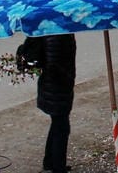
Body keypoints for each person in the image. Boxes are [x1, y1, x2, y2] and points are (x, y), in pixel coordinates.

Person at [37, 34, 77, 173]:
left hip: (53, 86)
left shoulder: (54, 31)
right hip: (58, 88)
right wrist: (67, 77)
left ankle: (50, 163)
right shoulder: (59, 34)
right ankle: (58, 167)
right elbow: (54, 64)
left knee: (57, 124)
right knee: (62, 128)